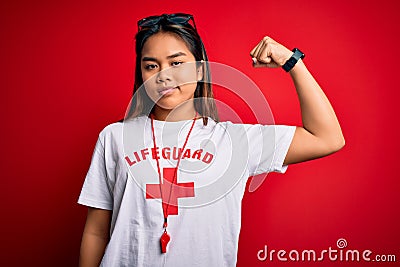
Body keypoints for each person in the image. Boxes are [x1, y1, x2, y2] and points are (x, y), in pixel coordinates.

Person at [78, 13, 345, 267]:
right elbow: (96, 231)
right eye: (151, 66)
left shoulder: (236, 141)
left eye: (177, 63)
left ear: (200, 71)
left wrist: (292, 61)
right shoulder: (114, 137)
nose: (163, 75)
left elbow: (326, 138)